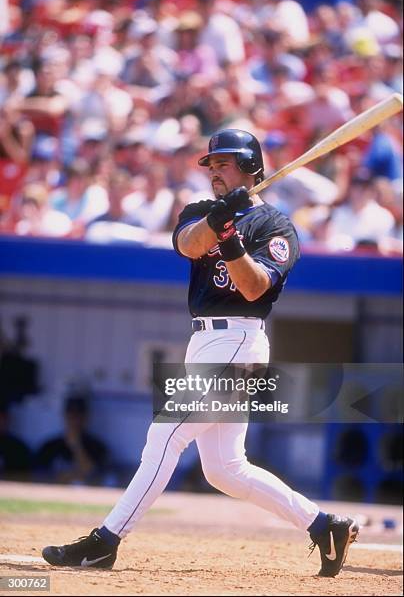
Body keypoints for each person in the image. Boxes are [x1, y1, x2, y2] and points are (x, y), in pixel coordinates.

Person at [41, 129, 359, 577]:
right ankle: (323, 525)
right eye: (211, 164)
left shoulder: (276, 226)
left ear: (251, 168)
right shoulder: (199, 211)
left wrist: (230, 236)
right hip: (204, 340)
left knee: (166, 434)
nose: (214, 172)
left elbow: (253, 288)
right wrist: (218, 220)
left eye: (224, 164)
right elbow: (188, 244)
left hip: (240, 340)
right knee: (225, 469)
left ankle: (105, 542)